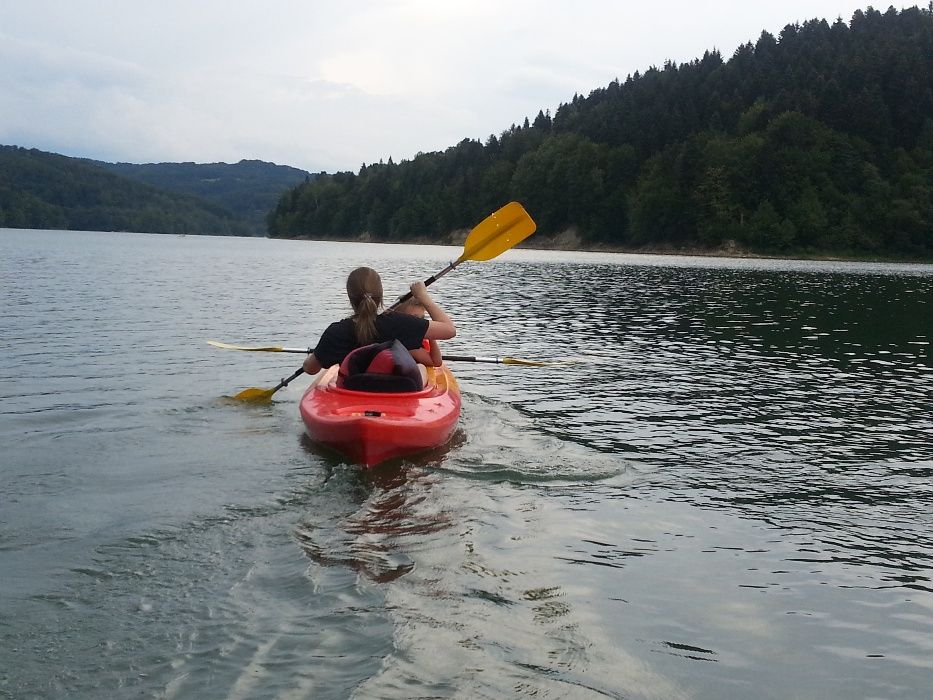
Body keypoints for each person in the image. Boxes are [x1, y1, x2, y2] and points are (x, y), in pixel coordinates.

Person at [302, 266, 455, 375]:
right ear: (380, 295)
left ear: (350, 298)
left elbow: (310, 369)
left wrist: (319, 352)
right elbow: (449, 330)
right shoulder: (400, 323)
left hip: (353, 391)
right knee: (420, 370)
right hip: (397, 391)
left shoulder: (335, 332)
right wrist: (423, 296)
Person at [395, 296, 444, 367]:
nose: (420, 322)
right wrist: (431, 336)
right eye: (415, 318)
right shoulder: (410, 345)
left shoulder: (394, 332)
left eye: (422, 318)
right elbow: (436, 362)